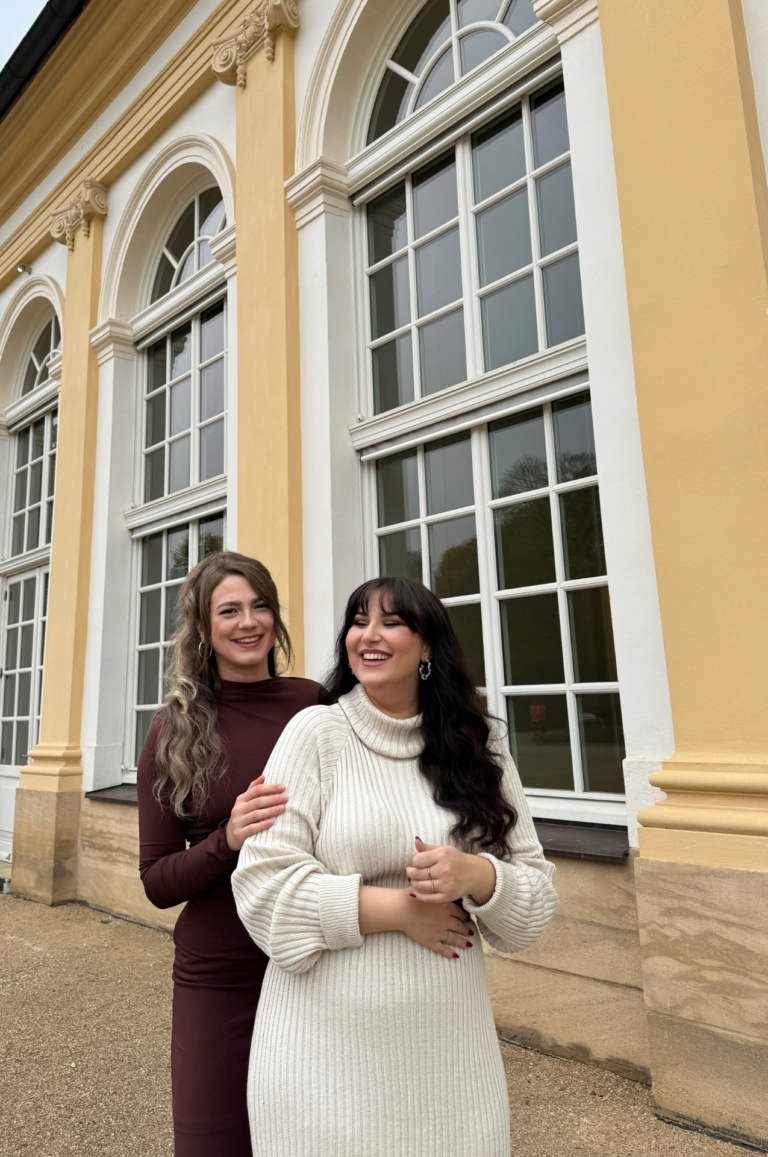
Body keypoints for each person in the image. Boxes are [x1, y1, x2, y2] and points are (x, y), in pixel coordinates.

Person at [231, 576, 558, 1157]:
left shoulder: (481, 745)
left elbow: (531, 910)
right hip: (321, 1061)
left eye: (391, 621)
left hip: (450, 1067)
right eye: (358, 621)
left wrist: (478, 877)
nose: (369, 635)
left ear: (428, 646)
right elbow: (261, 890)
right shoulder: (316, 733)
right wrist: (399, 912)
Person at [137, 552, 323, 1157]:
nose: (249, 622)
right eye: (230, 610)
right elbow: (158, 881)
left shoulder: (315, 704)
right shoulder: (173, 728)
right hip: (219, 970)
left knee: (317, 1134)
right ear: (202, 629)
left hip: (315, 958)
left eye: (261, 606)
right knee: (213, 1142)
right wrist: (228, 839)